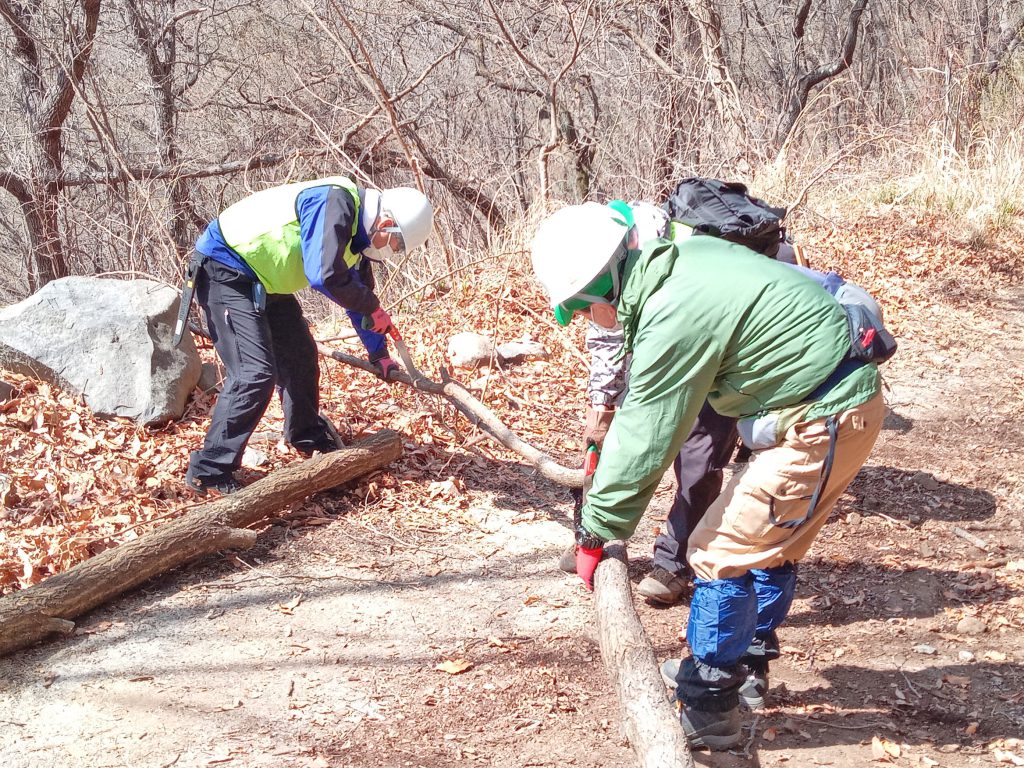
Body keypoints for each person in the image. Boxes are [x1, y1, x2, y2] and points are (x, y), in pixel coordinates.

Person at [531, 203, 883, 750]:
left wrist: (596, 530)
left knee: (717, 549)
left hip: (822, 419)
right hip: (834, 410)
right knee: (768, 546)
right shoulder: (684, 262)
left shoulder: (674, 309)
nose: (584, 321)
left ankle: (710, 707)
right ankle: (745, 668)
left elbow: (648, 429)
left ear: (600, 288)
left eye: (581, 310)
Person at [182, 176, 433, 495]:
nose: (389, 249)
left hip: (265, 281)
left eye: (397, 248)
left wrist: (379, 354)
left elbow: (360, 303)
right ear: (385, 222)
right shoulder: (335, 203)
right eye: (394, 242)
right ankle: (210, 470)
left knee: (301, 357)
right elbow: (324, 274)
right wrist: (371, 305)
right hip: (226, 269)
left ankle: (307, 436)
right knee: (254, 373)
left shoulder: (356, 241)